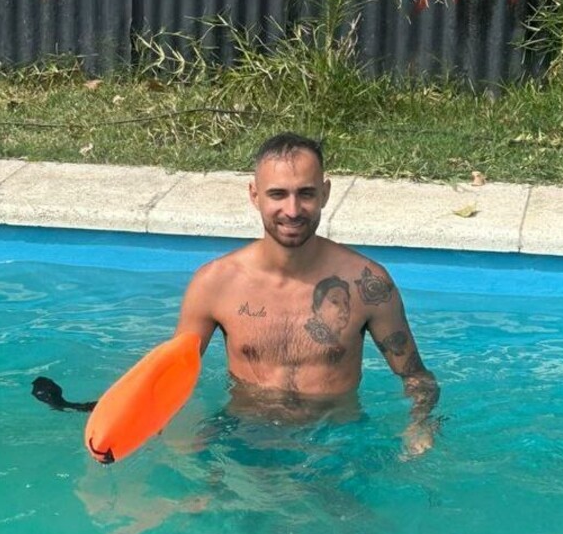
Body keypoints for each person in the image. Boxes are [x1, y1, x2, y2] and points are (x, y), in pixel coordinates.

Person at [176, 132, 440, 455]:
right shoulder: (215, 284)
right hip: (245, 439)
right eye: (277, 194)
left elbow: (417, 377)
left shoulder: (366, 284)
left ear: (325, 193)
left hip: (335, 445)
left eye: (306, 193)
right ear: (254, 195)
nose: (292, 210)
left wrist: (420, 426)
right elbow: (170, 379)